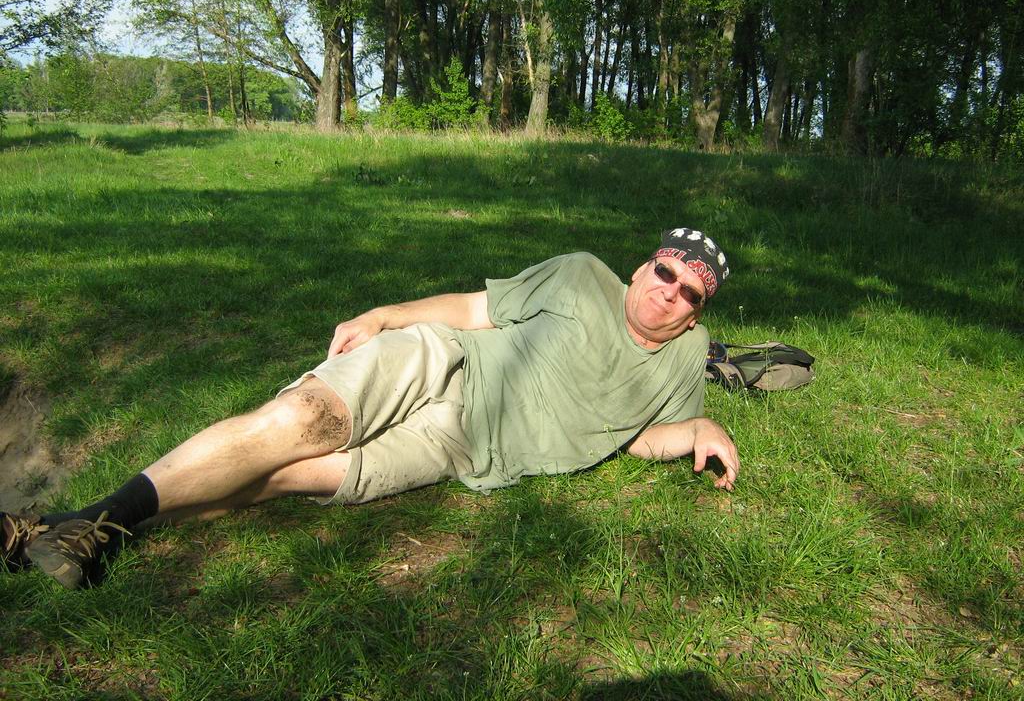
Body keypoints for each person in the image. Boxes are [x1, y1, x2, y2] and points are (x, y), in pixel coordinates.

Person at [1, 228, 739, 589]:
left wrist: (698, 429)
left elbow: (632, 437)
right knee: (298, 426)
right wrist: (385, 315)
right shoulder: (580, 276)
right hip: (445, 360)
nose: (668, 293)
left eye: (689, 293)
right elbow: (474, 310)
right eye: (664, 272)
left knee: (293, 477)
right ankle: (93, 520)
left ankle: (74, 533)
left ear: (697, 310)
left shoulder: (686, 354)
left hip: (464, 449)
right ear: (643, 265)